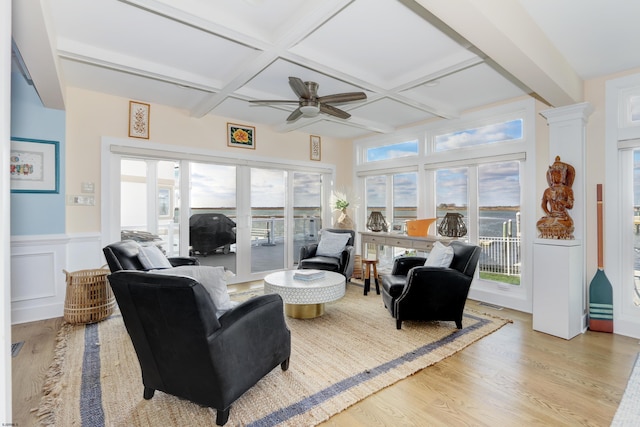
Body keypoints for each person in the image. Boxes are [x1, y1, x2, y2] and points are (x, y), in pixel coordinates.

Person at [536, 156, 575, 239]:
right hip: (552, 216)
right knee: (540, 223)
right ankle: (553, 228)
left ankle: (557, 230)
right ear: (550, 176)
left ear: (563, 175)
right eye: (553, 174)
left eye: (558, 174)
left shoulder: (567, 190)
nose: (556, 177)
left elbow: (570, 205)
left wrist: (562, 202)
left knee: (567, 224)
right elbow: (543, 205)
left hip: (562, 217)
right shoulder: (547, 191)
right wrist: (548, 213)